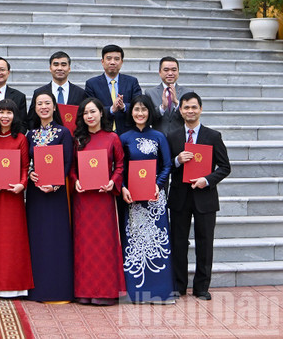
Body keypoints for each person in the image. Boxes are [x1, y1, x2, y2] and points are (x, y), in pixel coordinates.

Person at [168, 92, 231, 301]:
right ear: (180, 110)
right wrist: (177, 160)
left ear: (201, 109)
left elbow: (224, 167)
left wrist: (207, 180)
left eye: (194, 107)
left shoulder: (213, 136)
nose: (190, 111)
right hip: (180, 197)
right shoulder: (173, 136)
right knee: (178, 242)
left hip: (205, 197)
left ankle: (202, 287)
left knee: (205, 243)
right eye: (186, 107)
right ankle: (179, 285)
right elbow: (165, 166)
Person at [69, 97, 125, 305]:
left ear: (101, 113)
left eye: (93, 112)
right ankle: (84, 291)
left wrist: (113, 182)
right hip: (83, 199)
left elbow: (120, 165)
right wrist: (75, 182)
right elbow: (72, 168)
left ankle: (106, 291)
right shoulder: (78, 140)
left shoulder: (112, 138)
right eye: (85, 113)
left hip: (104, 199)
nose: (89, 116)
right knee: (84, 245)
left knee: (105, 245)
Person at [119, 94, 175, 304]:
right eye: (136, 109)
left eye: (144, 109)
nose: (140, 113)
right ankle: (135, 291)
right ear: (131, 113)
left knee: (157, 241)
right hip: (132, 199)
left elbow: (167, 165)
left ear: (150, 112)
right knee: (134, 242)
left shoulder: (159, 136)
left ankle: (161, 291)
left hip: (154, 198)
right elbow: (120, 168)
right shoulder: (124, 138)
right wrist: (123, 188)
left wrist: (157, 185)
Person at [0, 99, 33, 298]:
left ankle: (15, 284)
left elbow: (25, 167)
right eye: (1, 112)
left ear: (15, 116)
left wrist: (22, 184)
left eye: (9, 112)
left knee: (13, 239)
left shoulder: (21, 139)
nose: (5, 116)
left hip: (13, 196)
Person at [25, 91, 74, 302]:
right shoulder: (30, 134)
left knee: (56, 238)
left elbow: (67, 162)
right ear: (35, 108)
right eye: (39, 103)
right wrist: (30, 173)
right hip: (36, 194)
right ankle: (38, 288)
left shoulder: (64, 133)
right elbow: (26, 161)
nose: (43, 107)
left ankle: (59, 289)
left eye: (47, 103)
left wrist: (55, 184)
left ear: (54, 107)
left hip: (57, 194)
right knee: (38, 239)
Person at [84, 44, 142, 135]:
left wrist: (123, 107)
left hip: (128, 132)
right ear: (102, 61)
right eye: (109, 58)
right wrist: (111, 109)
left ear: (121, 62)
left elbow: (139, 105)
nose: (112, 62)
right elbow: (90, 109)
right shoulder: (92, 84)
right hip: (102, 131)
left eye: (116, 59)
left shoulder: (132, 82)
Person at [144, 57, 193, 136]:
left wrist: (177, 104)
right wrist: (162, 108)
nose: (170, 73)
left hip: (180, 138)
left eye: (174, 70)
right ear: (160, 72)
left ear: (178, 72)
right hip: (159, 138)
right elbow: (148, 118)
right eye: (166, 70)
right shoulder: (150, 93)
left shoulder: (188, 92)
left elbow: (191, 117)